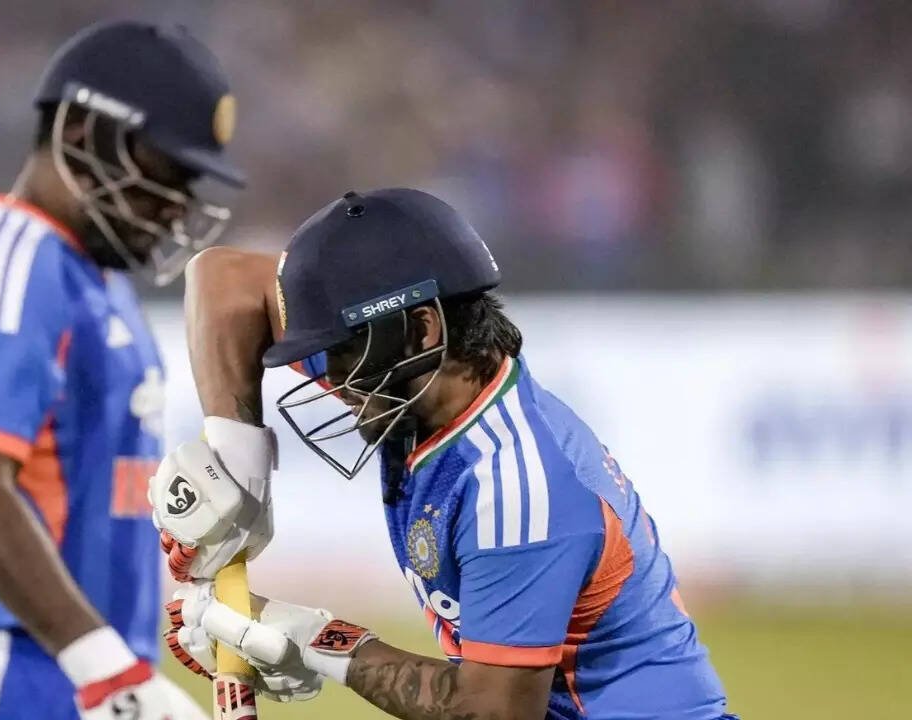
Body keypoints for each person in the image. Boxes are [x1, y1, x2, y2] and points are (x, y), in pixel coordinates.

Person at [149, 188, 737, 719]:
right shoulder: (408, 378)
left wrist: (313, 640)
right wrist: (236, 457)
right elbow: (226, 280)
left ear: (423, 329)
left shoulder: (516, 488)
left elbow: (492, 712)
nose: (331, 377)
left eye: (341, 351)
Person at [0, 20, 255, 720]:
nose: (175, 205)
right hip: (0, 667)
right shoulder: (13, 258)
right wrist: (105, 668)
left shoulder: (93, 276)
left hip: (79, 670)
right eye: (165, 171)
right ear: (82, 134)